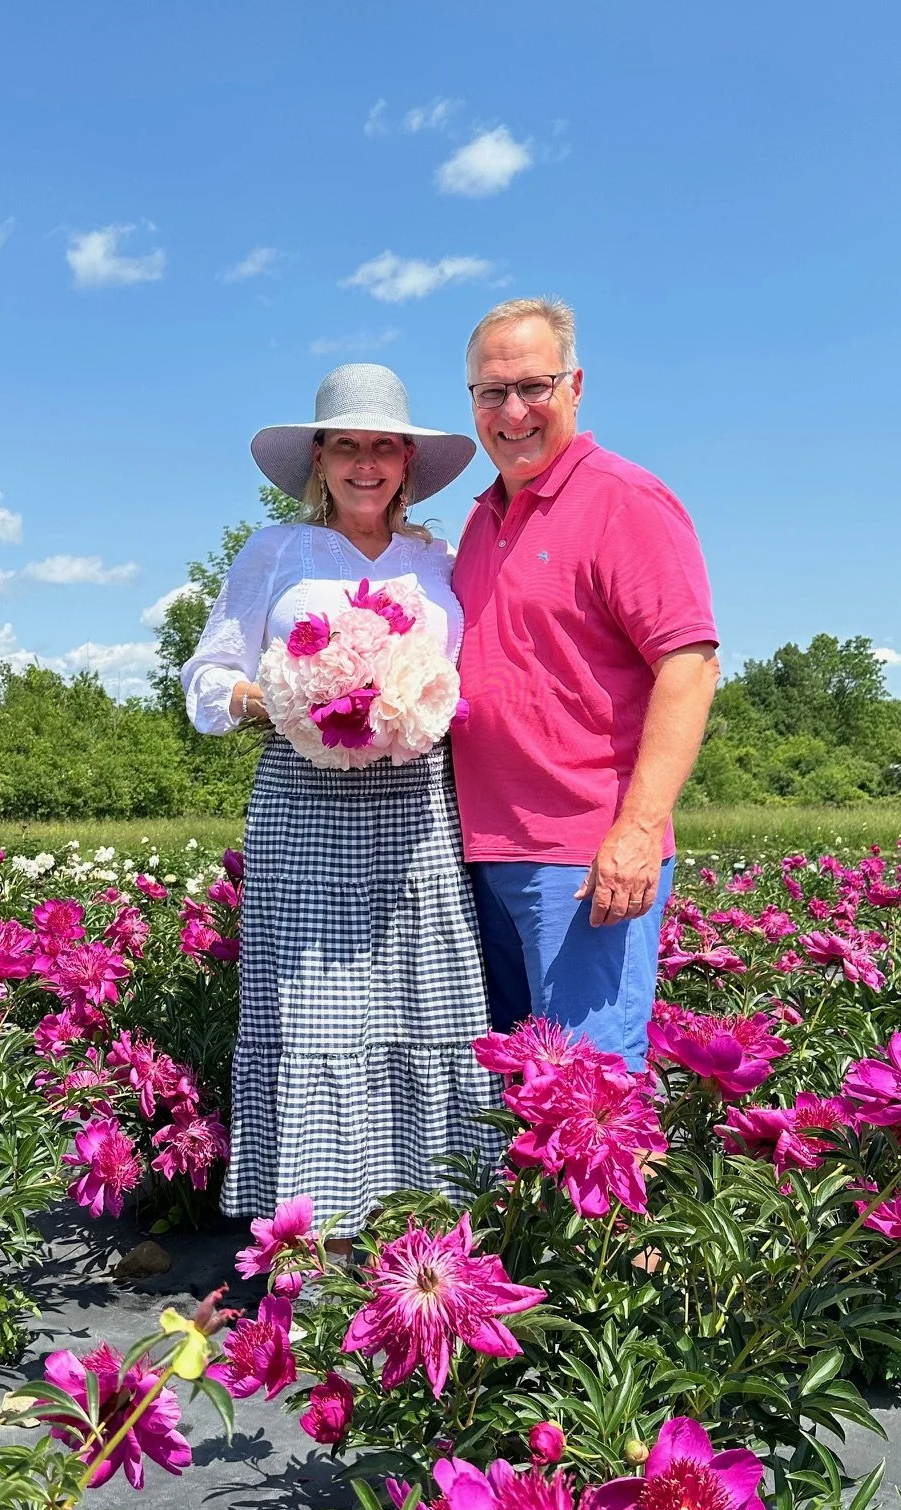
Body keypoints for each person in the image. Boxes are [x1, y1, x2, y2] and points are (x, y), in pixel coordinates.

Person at [180, 363, 502, 1244]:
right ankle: (312, 1236)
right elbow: (204, 682)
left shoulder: (438, 561)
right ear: (318, 459)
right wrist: (280, 696)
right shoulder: (274, 554)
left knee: (424, 996)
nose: (367, 463)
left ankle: (430, 1227)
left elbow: (473, 674)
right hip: (303, 797)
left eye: (384, 447)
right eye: (347, 445)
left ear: (406, 462)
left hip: (414, 802)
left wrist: (408, 693)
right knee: (312, 1006)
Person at [451, 298, 720, 1069]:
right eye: (490, 392)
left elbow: (690, 664)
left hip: (581, 853)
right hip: (483, 849)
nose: (512, 411)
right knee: (515, 1089)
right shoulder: (483, 519)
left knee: (586, 1087)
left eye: (533, 386)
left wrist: (637, 833)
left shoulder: (622, 498)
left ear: (575, 386)